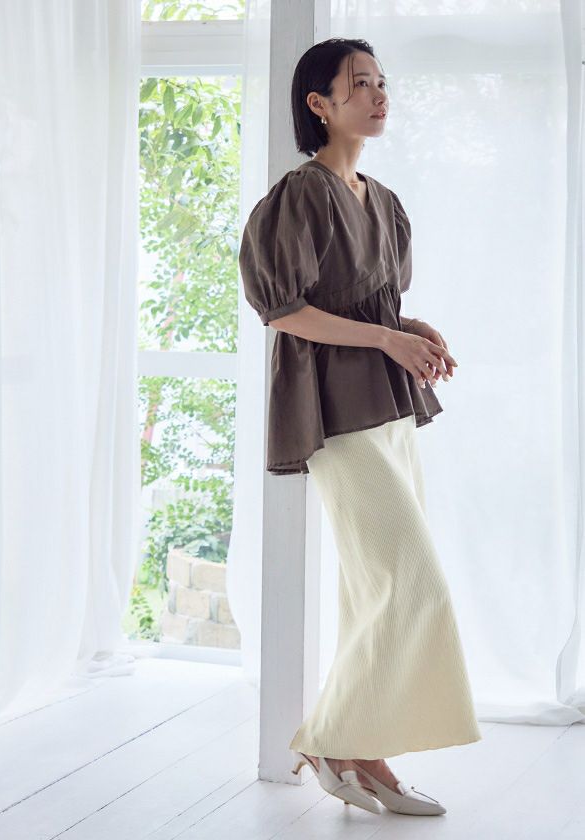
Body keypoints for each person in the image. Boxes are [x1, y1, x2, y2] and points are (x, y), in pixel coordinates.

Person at [237, 38, 482, 817]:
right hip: (333, 413)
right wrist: (385, 336)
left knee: (376, 591)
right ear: (320, 104)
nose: (379, 95)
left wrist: (410, 329)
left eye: (382, 82)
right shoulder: (298, 196)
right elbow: (284, 310)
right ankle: (338, 739)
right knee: (412, 585)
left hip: (389, 406)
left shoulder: (383, 200)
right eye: (361, 84)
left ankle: (359, 746)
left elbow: (368, 306)